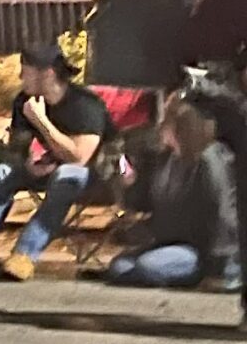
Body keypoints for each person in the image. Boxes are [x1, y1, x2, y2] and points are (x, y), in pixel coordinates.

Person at [0, 43, 110, 279]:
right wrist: (26, 161)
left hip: (96, 175)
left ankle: (25, 254)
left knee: (68, 175)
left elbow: (79, 157)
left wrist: (41, 121)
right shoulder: (23, 100)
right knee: (5, 170)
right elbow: (17, 146)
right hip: (47, 168)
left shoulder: (85, 104)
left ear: (47, 73)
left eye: (25, 71)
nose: (19, 77)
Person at [99, 84, 238, 288]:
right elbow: (141, 201)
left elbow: (222, 212)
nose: (160, 124)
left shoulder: (210, 159)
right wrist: (124, 172)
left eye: (167, 118)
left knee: (148, 267)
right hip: (167, 242)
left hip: (200, 250)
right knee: (120, 267)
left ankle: (204, 275)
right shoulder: (164, 157)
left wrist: (217, 267)